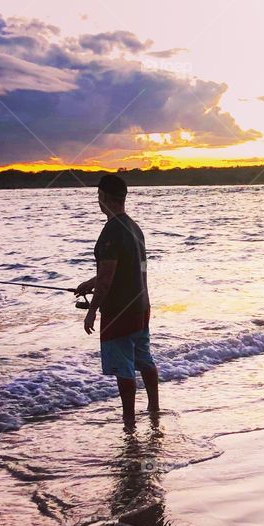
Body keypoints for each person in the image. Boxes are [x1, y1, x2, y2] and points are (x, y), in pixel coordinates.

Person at [76, 174, 159, 427]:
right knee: (144, 359)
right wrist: (88, 284)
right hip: (140, 307)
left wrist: (92, 310)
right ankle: (154, 409)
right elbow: (123, 268)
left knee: (123, 367)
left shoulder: (111, 231)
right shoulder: (134, 227)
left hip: (120, 312)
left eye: (98, 196)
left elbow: (107, 279)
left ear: (102, 197)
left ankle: (129, 421)